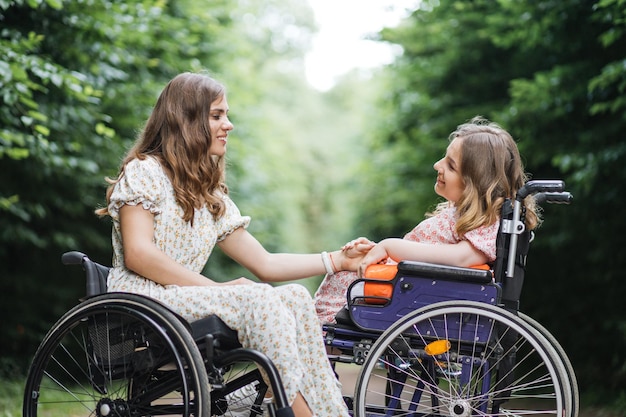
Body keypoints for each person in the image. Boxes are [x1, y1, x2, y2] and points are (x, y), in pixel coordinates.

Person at [95, 71, 363, 417]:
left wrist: (338, 259)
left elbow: (265, 263)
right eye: (217, 115)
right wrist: (218, 291)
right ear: (186, 120)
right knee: (255, 296)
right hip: (145, 297)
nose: (229, 125)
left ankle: (330, 412)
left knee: (294, 296)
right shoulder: (144, 171)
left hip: (183, 297)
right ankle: (297, 412)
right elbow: (138, 254)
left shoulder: (208, 193)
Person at [314, 116, 540, 324]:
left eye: (451, 165)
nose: (437, 166)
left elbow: (460, 259)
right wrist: (378, 252)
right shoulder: (462, 215)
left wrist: (389, 247)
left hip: (404, 297)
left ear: (475, 184)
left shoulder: (488, 223)